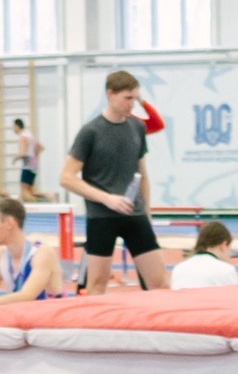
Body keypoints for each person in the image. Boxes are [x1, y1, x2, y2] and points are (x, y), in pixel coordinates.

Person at [62, 71, 170, 293]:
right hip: (102, 217)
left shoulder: (137, 127)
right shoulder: (90, 132)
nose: (132, 104)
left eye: (135, 98)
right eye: (127, 98)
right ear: (110, 94)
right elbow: (66, 178)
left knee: (160, 283)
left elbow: (142, 173)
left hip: (134, 214)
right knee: (96, 286)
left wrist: (147, 212)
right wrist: (107, 198)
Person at [0, 195, 67, 305]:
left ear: (9, 223)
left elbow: (27, 296)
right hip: (21, 313)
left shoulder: (42, 254)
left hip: (50, 313)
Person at [167, 220, 238, 289]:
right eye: (229, 248)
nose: (229, 254)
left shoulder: (178, 269)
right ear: (223, 245)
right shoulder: (226, 270)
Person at [13, 117, 43, 199]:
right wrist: (35, 157)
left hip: (27, 166)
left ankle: (38, 203)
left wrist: (15, 158)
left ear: (17, 126)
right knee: (31, 191)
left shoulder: (22, 136)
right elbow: (40, 147)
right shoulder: (29, 134)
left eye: (14, 127)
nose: (13, 129)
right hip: (34, 165)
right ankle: (49, 196)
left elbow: (23, 152)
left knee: (24, 192)